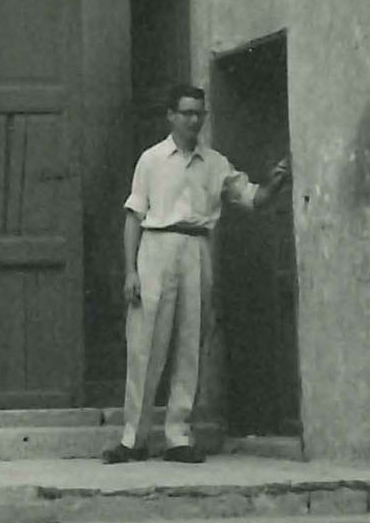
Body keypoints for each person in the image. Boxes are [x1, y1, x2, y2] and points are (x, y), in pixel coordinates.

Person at [103, 84, 290, 465]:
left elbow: (252, 198)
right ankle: (133, 439)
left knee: (191, 342)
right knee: (146, 344)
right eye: (186, 113)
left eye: (199, 114)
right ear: (170, 116)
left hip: (198, 249)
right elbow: (133, 217)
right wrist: (130, 271)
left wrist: (275, 181)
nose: (193, 121)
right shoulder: (151, 160)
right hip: (156, 248)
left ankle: (178, 436)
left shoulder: (215, 163)